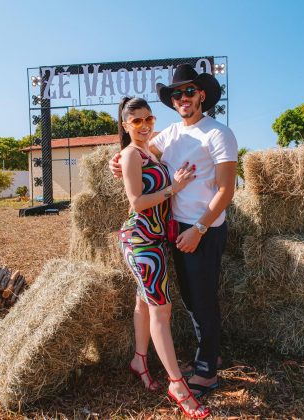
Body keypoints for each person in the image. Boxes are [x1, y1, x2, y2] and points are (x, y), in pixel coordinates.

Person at [110, 63, 238, 398]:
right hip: (174, 230)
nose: (183, 97)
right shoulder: (169, 134)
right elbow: (139, 156)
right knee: (193, 299)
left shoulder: (218, 133)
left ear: (202, 96)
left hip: (204, 228)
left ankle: (207, 371)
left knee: (202, 298)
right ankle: (209, 355)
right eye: (177, 93)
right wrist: (117, 160)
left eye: (189, 91)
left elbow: (227, 190)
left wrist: (198, 228)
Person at [117, 96, 210, 419]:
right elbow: (136, 202)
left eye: (149, 120)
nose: (144, 126)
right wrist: (175, 187)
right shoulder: (131, 154)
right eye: (137, 121)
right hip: (140, 239)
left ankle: (139, 360)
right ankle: (177, 385)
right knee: (162, 308)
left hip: (156, 239)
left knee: (144, 301)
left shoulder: (147, 151)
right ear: (126, 125)